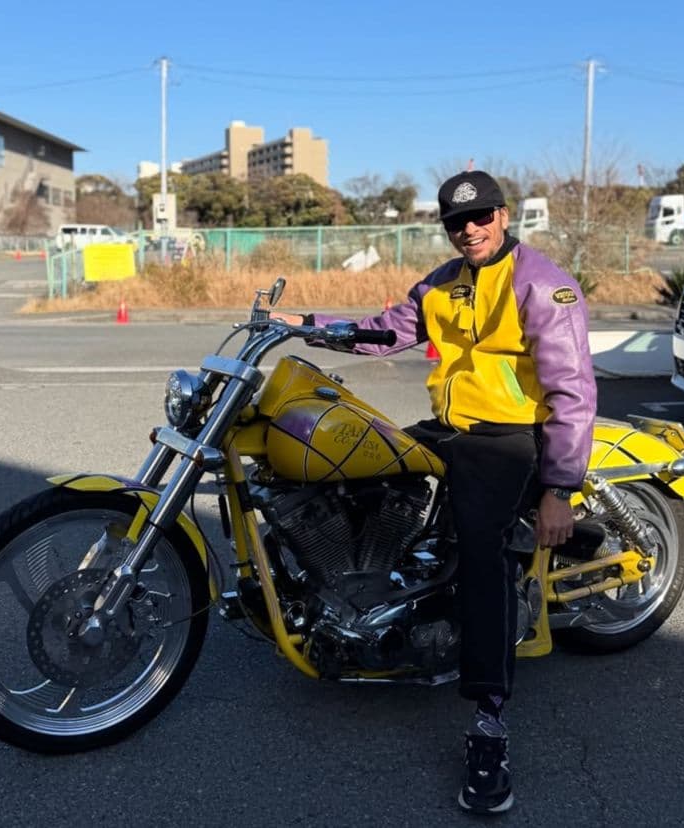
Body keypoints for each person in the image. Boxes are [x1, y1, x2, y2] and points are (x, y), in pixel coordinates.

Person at [273, 170, 597, 815]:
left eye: (480, 217)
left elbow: (573, 391)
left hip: (510, 435)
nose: (469, 229)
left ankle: (489, 722)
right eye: (456, 222)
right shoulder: (443, 283)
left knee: (482, 551)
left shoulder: (541, 283)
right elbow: (386, 330)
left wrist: (560, 487)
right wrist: (306, 325)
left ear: (502, 216)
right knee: (366, 471)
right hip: (451, 428)